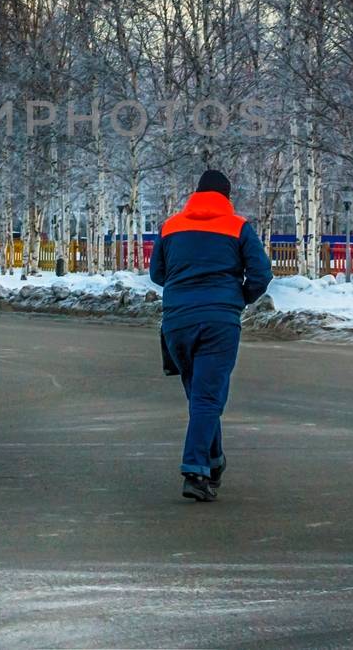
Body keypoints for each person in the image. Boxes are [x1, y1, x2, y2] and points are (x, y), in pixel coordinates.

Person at [149, 169, 273, 502]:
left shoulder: (171, 226)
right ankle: (195, 470)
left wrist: (182, 292)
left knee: (200, 397)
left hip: (177, 323)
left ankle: (214, 462)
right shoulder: (238, 227)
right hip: (219, 322)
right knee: (207, 399)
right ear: (226, 197)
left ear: (196, 194)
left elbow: (157, 273)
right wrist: (237, 298)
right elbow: (261, 274)